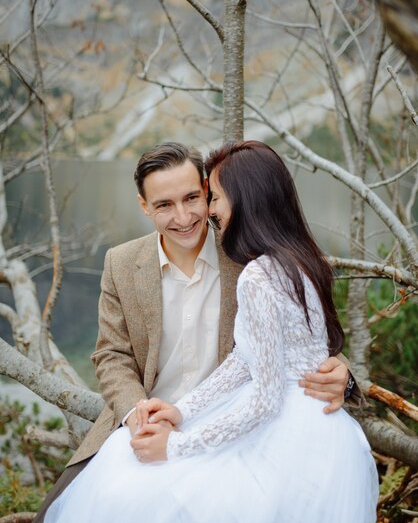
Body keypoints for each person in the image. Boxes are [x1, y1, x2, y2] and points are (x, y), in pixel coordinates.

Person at [43, 141, 378, 523]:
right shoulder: (121, 263)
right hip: (159, 416)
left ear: (208, 192)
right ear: (144, 206)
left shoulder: (247, 254)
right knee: (82, 503)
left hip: (239, 430)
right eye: (164, 205)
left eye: (193, 198)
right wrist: (140, 416)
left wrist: (342, 375)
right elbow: (111, 355)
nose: (183, 216)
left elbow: (300, 333)